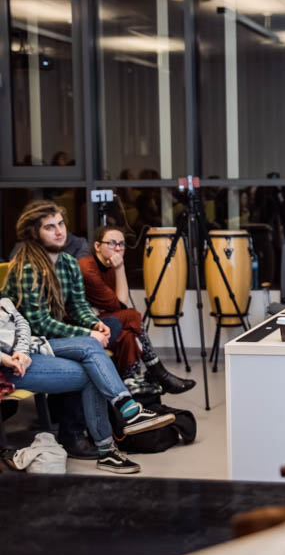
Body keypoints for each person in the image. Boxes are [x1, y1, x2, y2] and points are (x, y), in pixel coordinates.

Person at [1, 201, 175, 461]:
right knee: (91, 350)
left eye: (61, 224)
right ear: (34, 233)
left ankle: (109, 431)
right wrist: (87, 335)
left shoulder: (68, 263)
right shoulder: (27, 267)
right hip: (26, 346)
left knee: (106, 333)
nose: (59, 231)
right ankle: (120, 419)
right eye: (49, 227)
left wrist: (93, 324)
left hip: (51, 339)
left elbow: (79, 306)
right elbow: (39, 323)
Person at [0, 296, 141, 474]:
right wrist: (5, 358)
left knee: (92, 346)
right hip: (7, 367)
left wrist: (22, 351)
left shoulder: (3, 301)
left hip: (29, 350)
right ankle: (110, 444)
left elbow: (21, 322)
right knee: (91, 372)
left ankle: (127, 411)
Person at [78, 224, 195, 395]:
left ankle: (132, 385)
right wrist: (120, 269)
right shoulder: (87, 269)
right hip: (83, 325)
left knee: (128, 335)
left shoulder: (110, 266)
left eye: (121, 244)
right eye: (111, 243)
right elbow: (121, 305)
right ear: (97, 246)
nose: (118, 248)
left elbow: (120, 306)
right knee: (132, 316)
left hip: (103, 321)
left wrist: (119, 269)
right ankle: (158, 371)